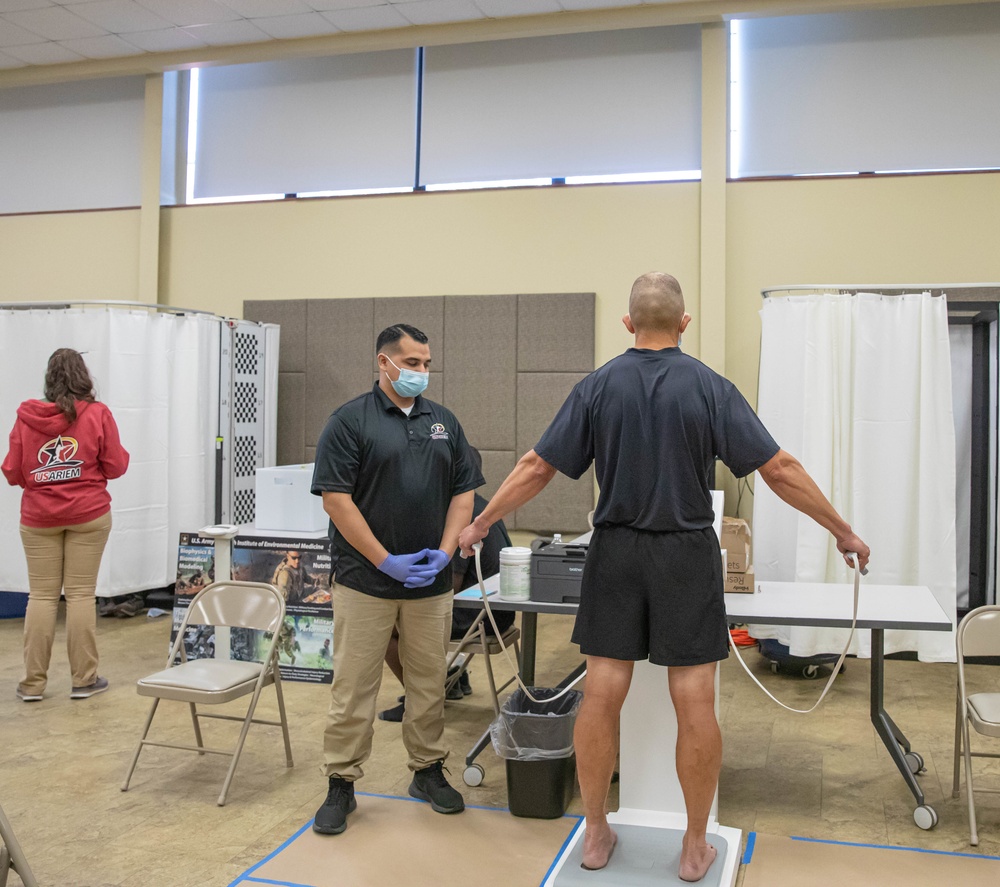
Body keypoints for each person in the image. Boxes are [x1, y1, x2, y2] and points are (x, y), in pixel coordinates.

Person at [458, 273, 870, 883]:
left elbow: (536, 465)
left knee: (601, 694)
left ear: (628, 324)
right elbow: (779, 468)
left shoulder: (597, 387)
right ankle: (694, 844)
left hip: (615, 552)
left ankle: (596, 832)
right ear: (685, 323)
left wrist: (481, 522)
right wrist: (842, 529)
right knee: (694, 698)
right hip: (684, 554)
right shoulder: (709, 386)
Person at [310, 323, 483, 836]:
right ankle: (341, 782)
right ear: (383, 363)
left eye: (427, 364)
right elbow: (336, 500)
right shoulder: (349, 422)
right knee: (354, 687)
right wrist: (386, 560)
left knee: (429, 682)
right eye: (411, 364)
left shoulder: (443, 422)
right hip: (365, 581)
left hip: (430, 584)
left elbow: (463, 493)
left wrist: (447, 552)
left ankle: (427, 770)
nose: (421, 373)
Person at [2, 348, 130, 702]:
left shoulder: (26, 417)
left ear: (49, 379)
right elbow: (116, 465)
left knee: (42, 596)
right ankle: (84, 680)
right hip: (88, 516)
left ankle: (32, 684)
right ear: (83, 377)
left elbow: (12, 471)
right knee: (80, 595)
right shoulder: (97, 414)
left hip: (39, 518)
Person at [378, 446, 514, 722]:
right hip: (499, 614)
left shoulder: (459, 516)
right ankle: (452, 677)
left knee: (387, 628)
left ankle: (420, 702)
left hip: (478, 621)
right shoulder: (482, 507)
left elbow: (447, 584)